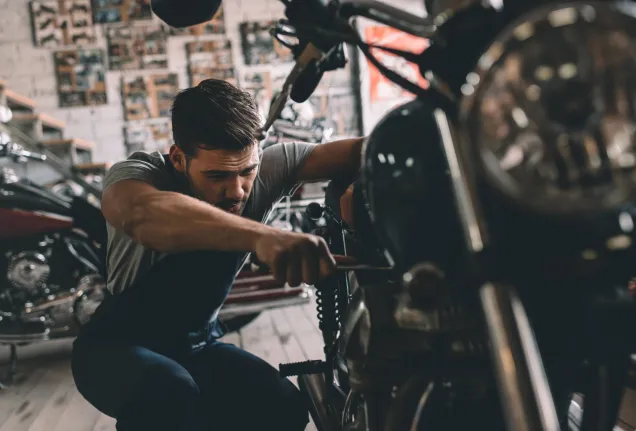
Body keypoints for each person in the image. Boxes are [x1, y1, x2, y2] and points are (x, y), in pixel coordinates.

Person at [70, 79, 363, 431]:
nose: (237, 190)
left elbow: (369, 150)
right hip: (112, 349)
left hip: (193, 346)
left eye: (247, 171)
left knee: (282, 408)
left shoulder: (269, 168)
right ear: (179, 158)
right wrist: (262, 237)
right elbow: (141, 214)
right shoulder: (140, 175)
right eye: (217, 175)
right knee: (168, 392)